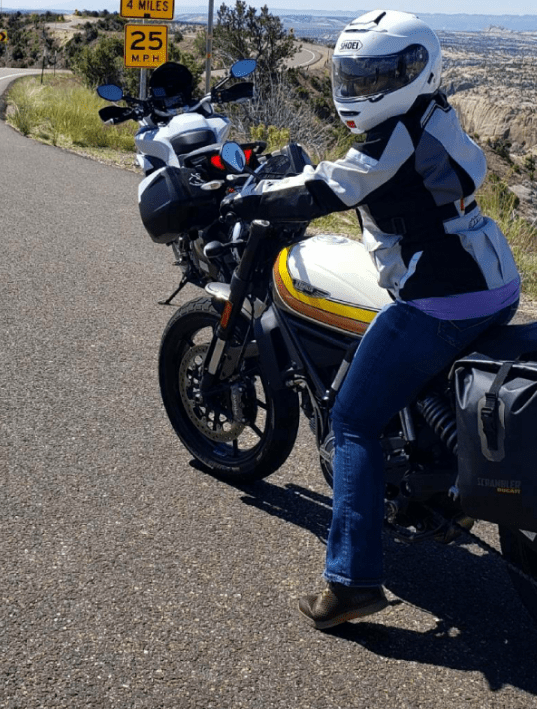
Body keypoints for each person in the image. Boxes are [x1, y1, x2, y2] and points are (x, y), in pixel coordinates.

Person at [221, 10, 521, 630]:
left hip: (439, 299)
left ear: (417, 71)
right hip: (494, 283)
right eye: (354, 76)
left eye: (378, 76)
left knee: (354, 420)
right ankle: (442, 485)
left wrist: (243, 198)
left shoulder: (392, 140)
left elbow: (329, 191)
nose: (361, 88)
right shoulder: (434, 113)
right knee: (410, 378)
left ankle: (351, 582)